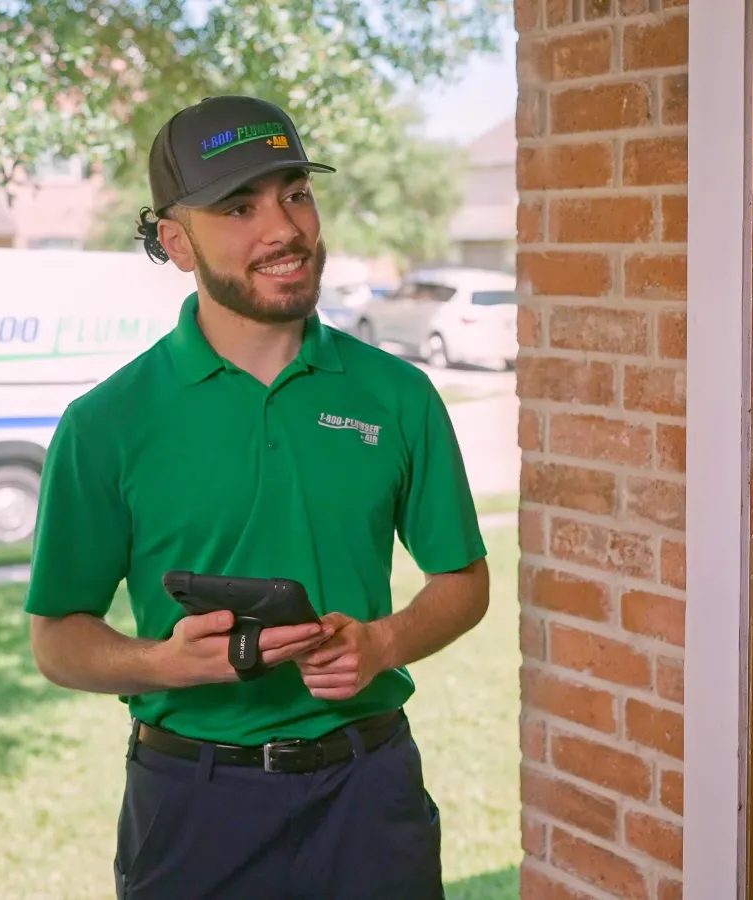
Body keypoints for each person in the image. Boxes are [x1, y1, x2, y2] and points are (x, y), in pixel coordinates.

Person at [24, 95, 489, 900]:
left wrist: (382, 643)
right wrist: (164, 662)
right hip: (194, 804)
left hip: (368, 790)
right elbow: (57, 639)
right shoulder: (107, 423)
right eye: (240, 206)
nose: (284, 228)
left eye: (295, 194)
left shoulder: (399, 396)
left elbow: (465, 582)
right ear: (175, 241)